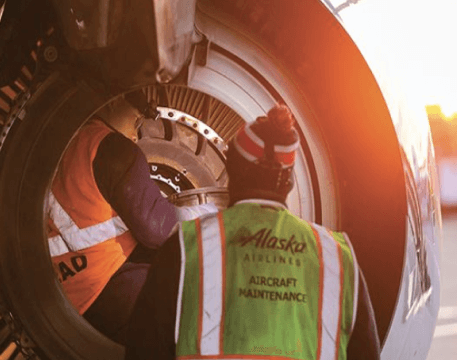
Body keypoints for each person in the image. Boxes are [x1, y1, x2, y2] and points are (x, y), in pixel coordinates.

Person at [125, 104, 381, 360]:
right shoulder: (337, 258)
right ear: (290, 182)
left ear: (233, 171)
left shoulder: (186, 248)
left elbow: (143, 350)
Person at [47, 91, 178, 345]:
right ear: (115, 100)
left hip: (63, 298)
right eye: (136, 121)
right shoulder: (111, 147)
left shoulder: (69, 141)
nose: (135, 135)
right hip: (104, 286)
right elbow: (159, 230)